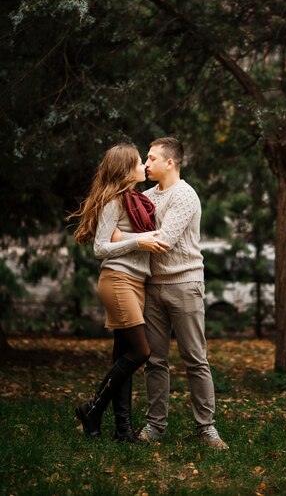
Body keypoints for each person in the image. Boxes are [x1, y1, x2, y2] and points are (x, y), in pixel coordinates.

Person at [113, 137, 229, 449]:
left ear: (170, 163)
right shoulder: (145, 196)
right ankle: (155, 427)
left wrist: (120, 235)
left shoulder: (185, 195)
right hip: (152, 286)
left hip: (185, 284)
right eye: (146, 159)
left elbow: (164, 240)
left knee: (195, 358)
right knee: (155, 361)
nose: (145, 164)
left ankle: (207, 428)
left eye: (151, 159)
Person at [67, 143, 169, 444]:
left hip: (136, 281)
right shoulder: (114, 201)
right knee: (141, 352)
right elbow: (100, 248)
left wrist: (131, 238)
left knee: (123, 354)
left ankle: (123, 430)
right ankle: (92, 409)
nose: (144, 166)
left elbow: (122, 238)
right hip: (118, 280)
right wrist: (138, 242)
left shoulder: (134, 200)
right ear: (126, 170)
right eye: (140, 162)